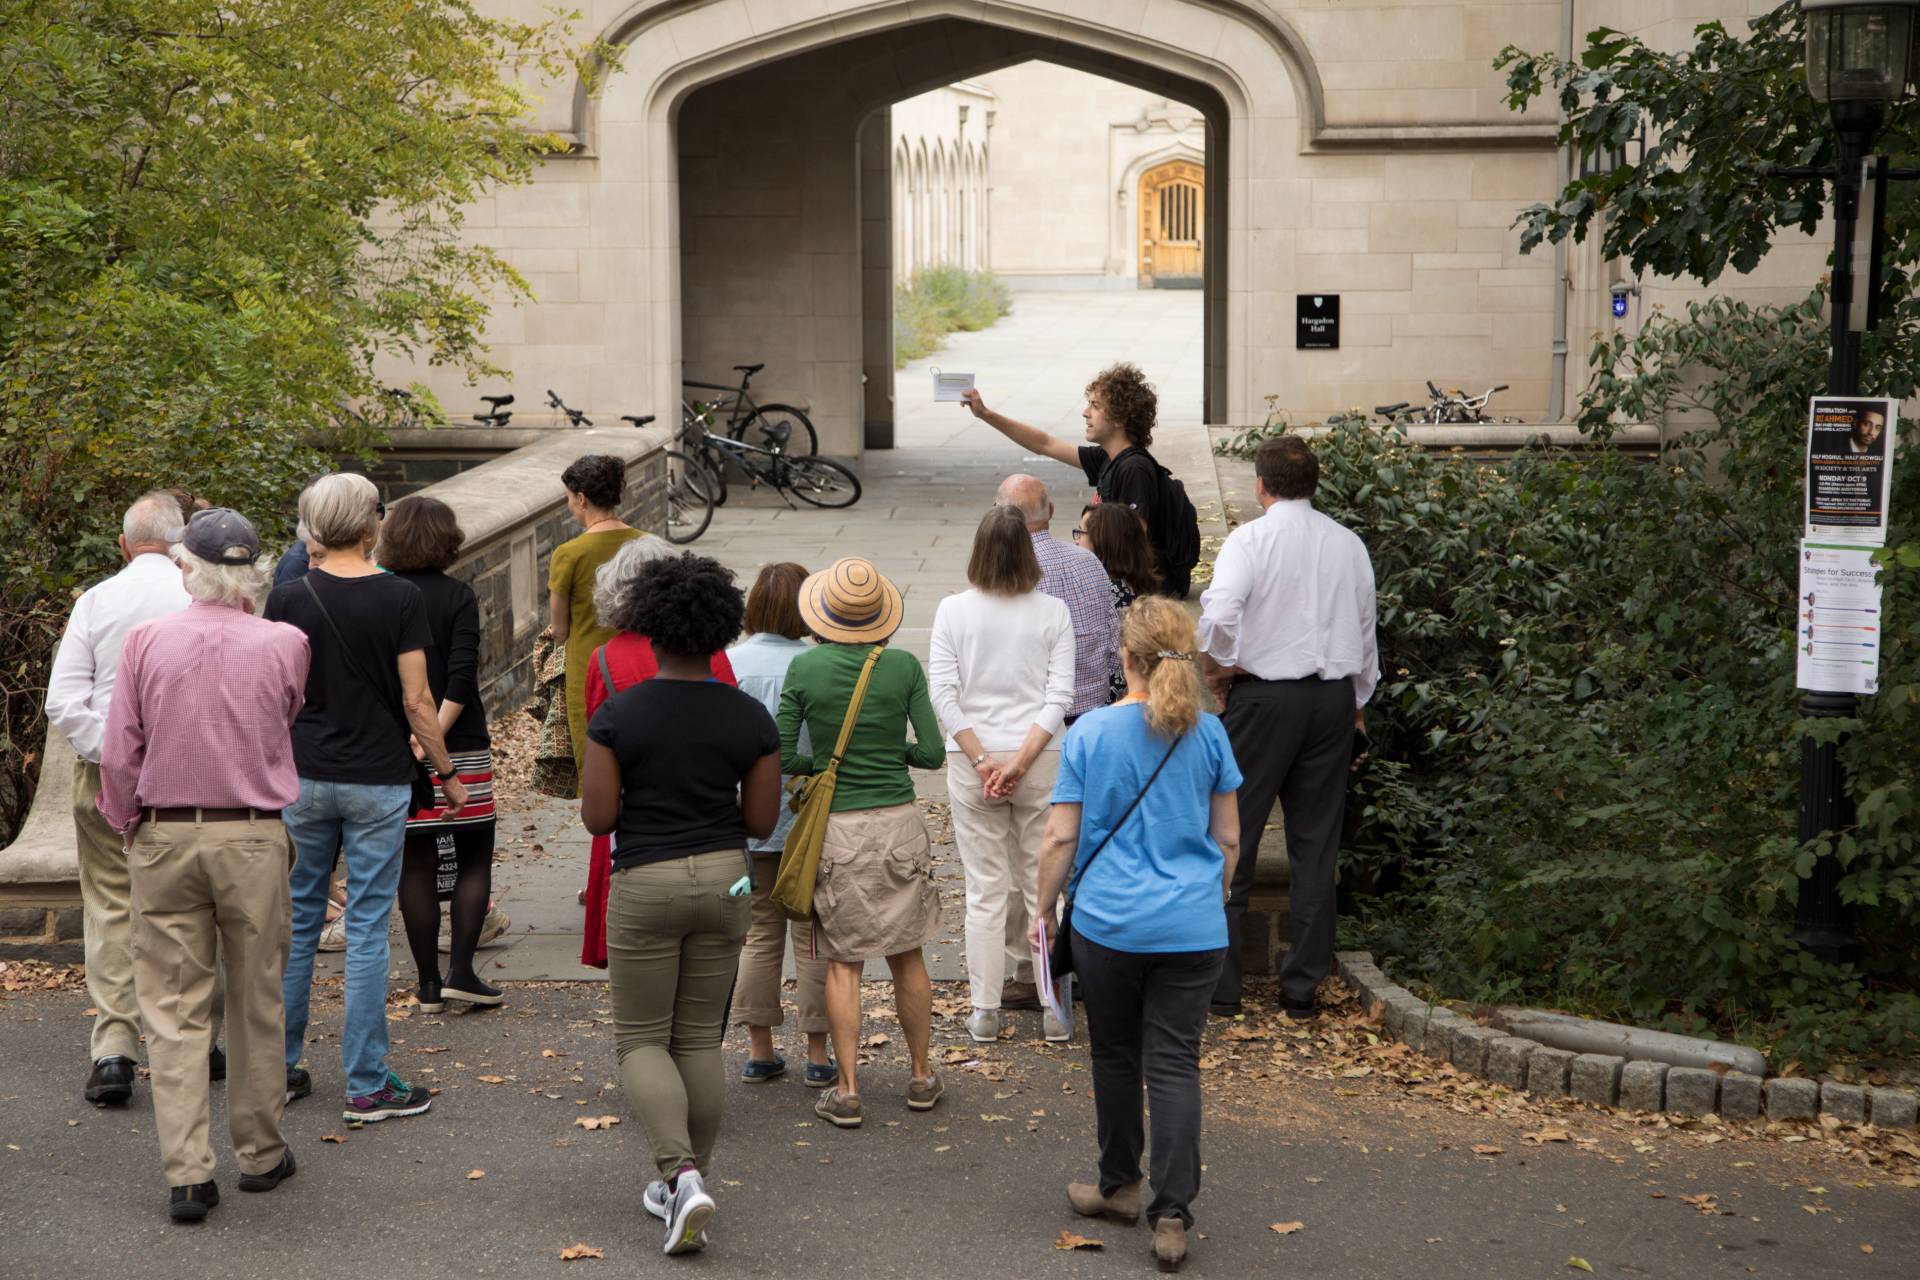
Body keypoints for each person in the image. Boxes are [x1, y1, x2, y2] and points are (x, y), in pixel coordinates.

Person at [94, 509, 311, 1222]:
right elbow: (283, 722)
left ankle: (188, 1172)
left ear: (187, 567)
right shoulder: (286, 642)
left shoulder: (147, 641)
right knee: (257, 996)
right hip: (251, 833)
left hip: (166, 831)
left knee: (174, 1007)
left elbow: (122, 749)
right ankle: (261, 1150)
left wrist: (127, 824)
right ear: (252, 573)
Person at [1032, 596, 1241, 1272]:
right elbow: (1229, 838)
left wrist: (1041, 908)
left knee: (1115, 1056)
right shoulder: (1210, 733)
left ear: (1125, 661)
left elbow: (1061, 834)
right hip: (1193, 927)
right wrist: (1216, 894)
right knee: (1175, 1063)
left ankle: (1119, 1183)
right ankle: (1173, 1213)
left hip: (1109, 925)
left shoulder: (1091, 733)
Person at [579, 553, 780, 1257]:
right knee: (698, 1039)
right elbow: (760, 821)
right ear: (720, 629)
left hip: (646, 879)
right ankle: (684, 1186)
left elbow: (599, 820)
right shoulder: (749, 715)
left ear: (648, 628)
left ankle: (680, 1175)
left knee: (641, 1038)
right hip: (726, 879)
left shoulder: (617, 715)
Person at [265, 473, 469, 1122]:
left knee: (299, 921)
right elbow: (416, 701)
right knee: (365, 927)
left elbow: (278, 697)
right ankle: (366, 1082)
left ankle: (284, 1067)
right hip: (378, 777)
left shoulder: (288, 599)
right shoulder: (400, 598)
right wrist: (447, 774)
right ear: (367, 525)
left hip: (306, 774)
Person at [45, 492, 220, 1107]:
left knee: (114, 907)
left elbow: (63, 700)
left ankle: (115, 1049)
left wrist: (116, 756)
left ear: (123, 545)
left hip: (104, 778)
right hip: (192, 779)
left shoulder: (96, 601)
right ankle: (200, 1037)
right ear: (181, 544)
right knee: (194, 907)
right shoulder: (202, 598)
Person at [1197, 435, 1377, 1019]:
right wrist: (1357, 706)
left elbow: (1220, 614)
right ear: (1315, 484)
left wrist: (1218, 665)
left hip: (1264, 700)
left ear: (1260, 485)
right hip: (1330, 700)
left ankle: (1220, 987)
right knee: (1315, 847)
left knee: (1231, 835)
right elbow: (1366, 631)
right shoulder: (1348, 544)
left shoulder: (1250, 540)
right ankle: (1301, 988)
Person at [778, 558, 945, 1130]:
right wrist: (888, 753)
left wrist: (824, 764)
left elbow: (782, 756)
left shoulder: (804, 667)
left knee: (844, 964)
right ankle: (921, 1075)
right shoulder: (901, 666)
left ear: (824, 614)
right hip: (899, 822)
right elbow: (930, 754)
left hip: (839, 830)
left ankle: (847, 1090)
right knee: (907, 954)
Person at [928, 508, 1074, 1044]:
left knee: (984, 888)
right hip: (1040, 758)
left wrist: (982, 760)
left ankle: (984, 1008)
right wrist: (1019, 761)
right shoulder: (1053, 612)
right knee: (1043, 885)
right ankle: (1052, 1006)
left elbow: (943, 693)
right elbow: (1060, 696)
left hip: (974, 762)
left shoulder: (952, 611)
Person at [579, 535, 739, 969]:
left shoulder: (606, 658)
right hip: (706, 812)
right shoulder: (711, 654)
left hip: (634, 819)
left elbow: (597, 737)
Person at [376, 496, 502, 1011]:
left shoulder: (383, 595)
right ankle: (462, 972)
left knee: (416, 863)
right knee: (474, 858)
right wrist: (437, 736)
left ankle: (427, 984)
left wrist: (415, 736)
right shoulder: (459, 595)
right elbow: (462, 674)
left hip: (397, 745)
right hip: (463, 741)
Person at [725, 562, 833, 1087]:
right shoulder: (818, 665)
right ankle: (817, 1052)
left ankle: (759, 1049)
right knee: (812, 934)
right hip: (807, 819)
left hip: (747, 817)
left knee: (759, 933)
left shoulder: (729, 663)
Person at [962, 362, 1197, 597]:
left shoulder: (1134, 469)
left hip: (1145, 592)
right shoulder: (1109, 458)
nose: (1085, 412)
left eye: (1095, 406)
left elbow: (1131, 546)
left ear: (1119, 418)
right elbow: (1044, 444)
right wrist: (985, 414)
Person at [998, 475, 1116, 728]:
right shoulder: (1089, 562)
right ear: (1050, 509)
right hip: (1093, 706)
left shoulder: (1010, 571)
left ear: (1001, 518)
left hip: (1035, 713)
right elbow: (1113, 638)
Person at [549, 454, 642, 775]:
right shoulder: (643, 544)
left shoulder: (569, 554)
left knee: (597, 765)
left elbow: (559, 629)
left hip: (589, 667)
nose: (569, 506)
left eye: (568, 499)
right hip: (641, 663)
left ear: (582, 498)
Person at [1077, 502, 1161, 703]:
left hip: (1110, 699)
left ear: (1103, 542)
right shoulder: (1135, 584)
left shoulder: (1107, 590)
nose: (1076, 542)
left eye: (1080, 533)